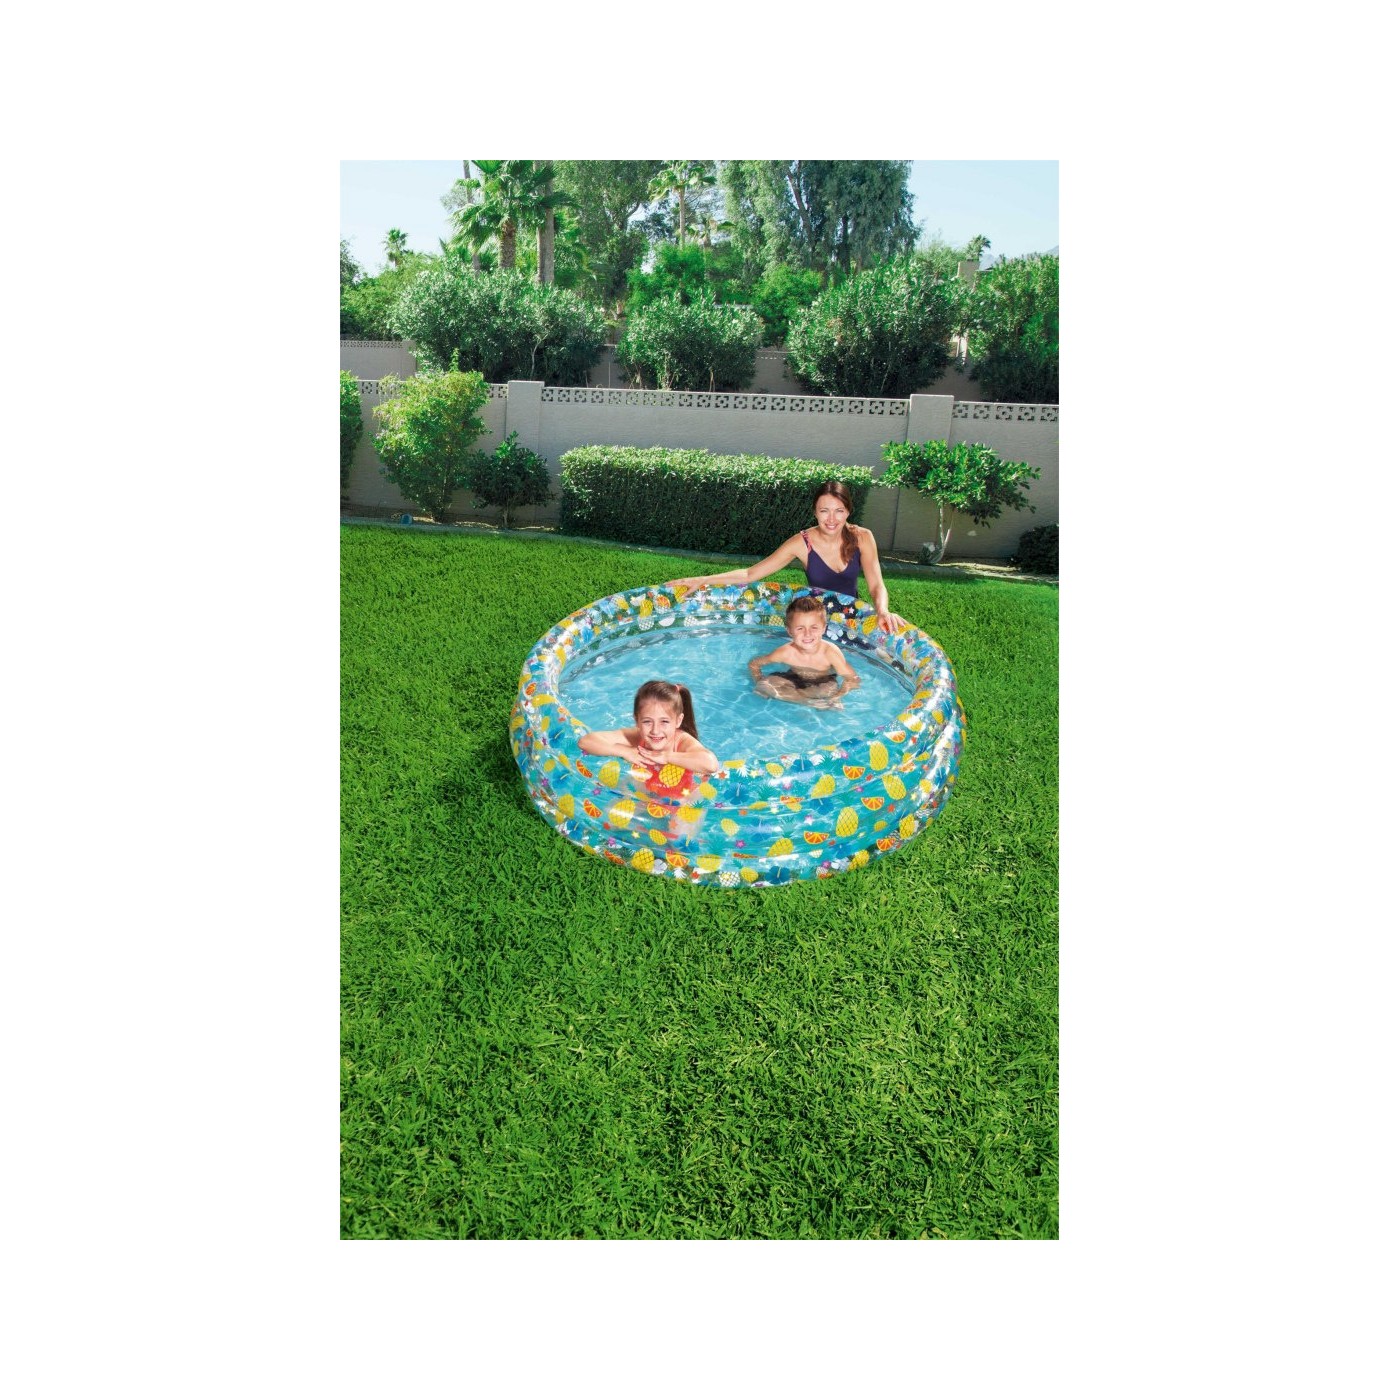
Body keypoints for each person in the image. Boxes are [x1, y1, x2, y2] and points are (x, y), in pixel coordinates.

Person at [670, 479, 907, 633]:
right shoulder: (802, 543)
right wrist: (703, 579)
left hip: (851, 616)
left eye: (839, 511)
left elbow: (876, 585)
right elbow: (750, 574)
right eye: (824, 511)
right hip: (813, 623)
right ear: (815, 512)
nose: (831, 519)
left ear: (848, 512)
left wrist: (882, 610)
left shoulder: (862, 537)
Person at [578, 679, 720, 796]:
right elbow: (586, 741)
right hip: (648, 785)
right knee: (613, 813)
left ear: (678, 721)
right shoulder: (636, 736)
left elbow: (711, 764)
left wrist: (666, 757)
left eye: (664, 721)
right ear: (637, 720)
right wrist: (624, 751)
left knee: (680, 823)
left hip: (683, 795)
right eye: (647, 721)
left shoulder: (682, 741)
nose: (655, 731)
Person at [749, 595, 861, 711]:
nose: (807, 634)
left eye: (814, 627)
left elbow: (853, 679)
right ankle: (807, 701)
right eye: (800, 628)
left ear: (823, 628)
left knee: (827, 689)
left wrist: (836, 697)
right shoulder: (786, 652)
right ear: (790, 631)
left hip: (823, 682)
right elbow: (754, 664)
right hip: (793, 678)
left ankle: (802, 699)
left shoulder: (829, 653)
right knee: (764, 685)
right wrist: (758, 679)